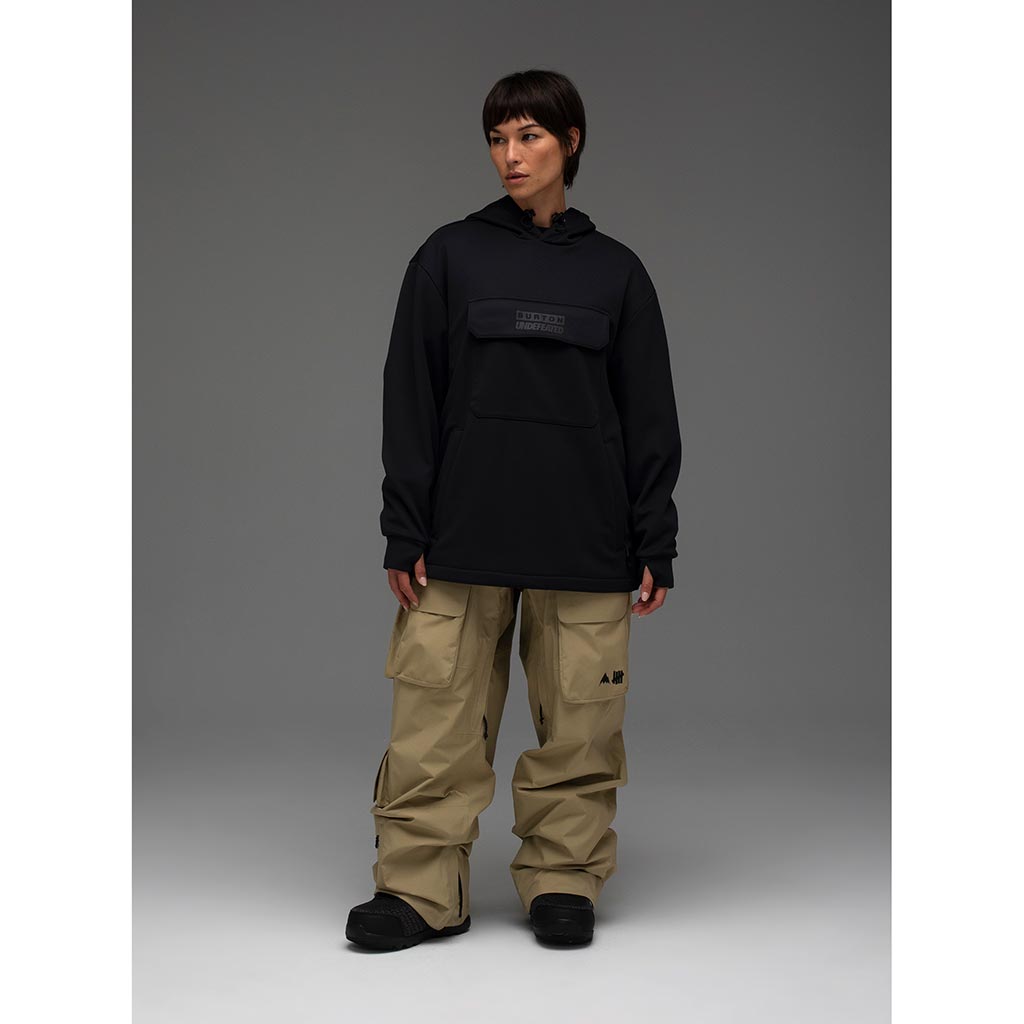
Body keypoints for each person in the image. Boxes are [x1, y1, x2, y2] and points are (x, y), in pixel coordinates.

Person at [345, 68, 682, 951]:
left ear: (570, 142)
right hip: (461, 535)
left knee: (580, 729)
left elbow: (648, 414)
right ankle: (420, 889)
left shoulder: (616, 272)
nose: (510, 155)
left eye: (529, 135)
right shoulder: (448, 256)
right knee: (434, 728)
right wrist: (404, 527)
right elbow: (410, 398)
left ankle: (564, 878)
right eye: (498, 138)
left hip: (586, 538)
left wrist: (655, 537)